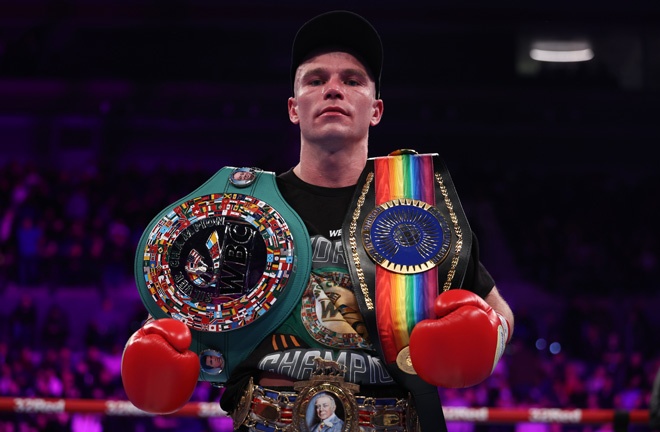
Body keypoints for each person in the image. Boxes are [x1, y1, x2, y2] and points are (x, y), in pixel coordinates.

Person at [121, 10, 515, 432]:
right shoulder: (236, 213)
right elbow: (170, 322)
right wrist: (150, 347)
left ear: (376, 109)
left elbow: (498, 313)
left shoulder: (416, 212)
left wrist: (487, 338)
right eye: (315, 80)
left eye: (352, 80)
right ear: (293, 108)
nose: (333, 89)